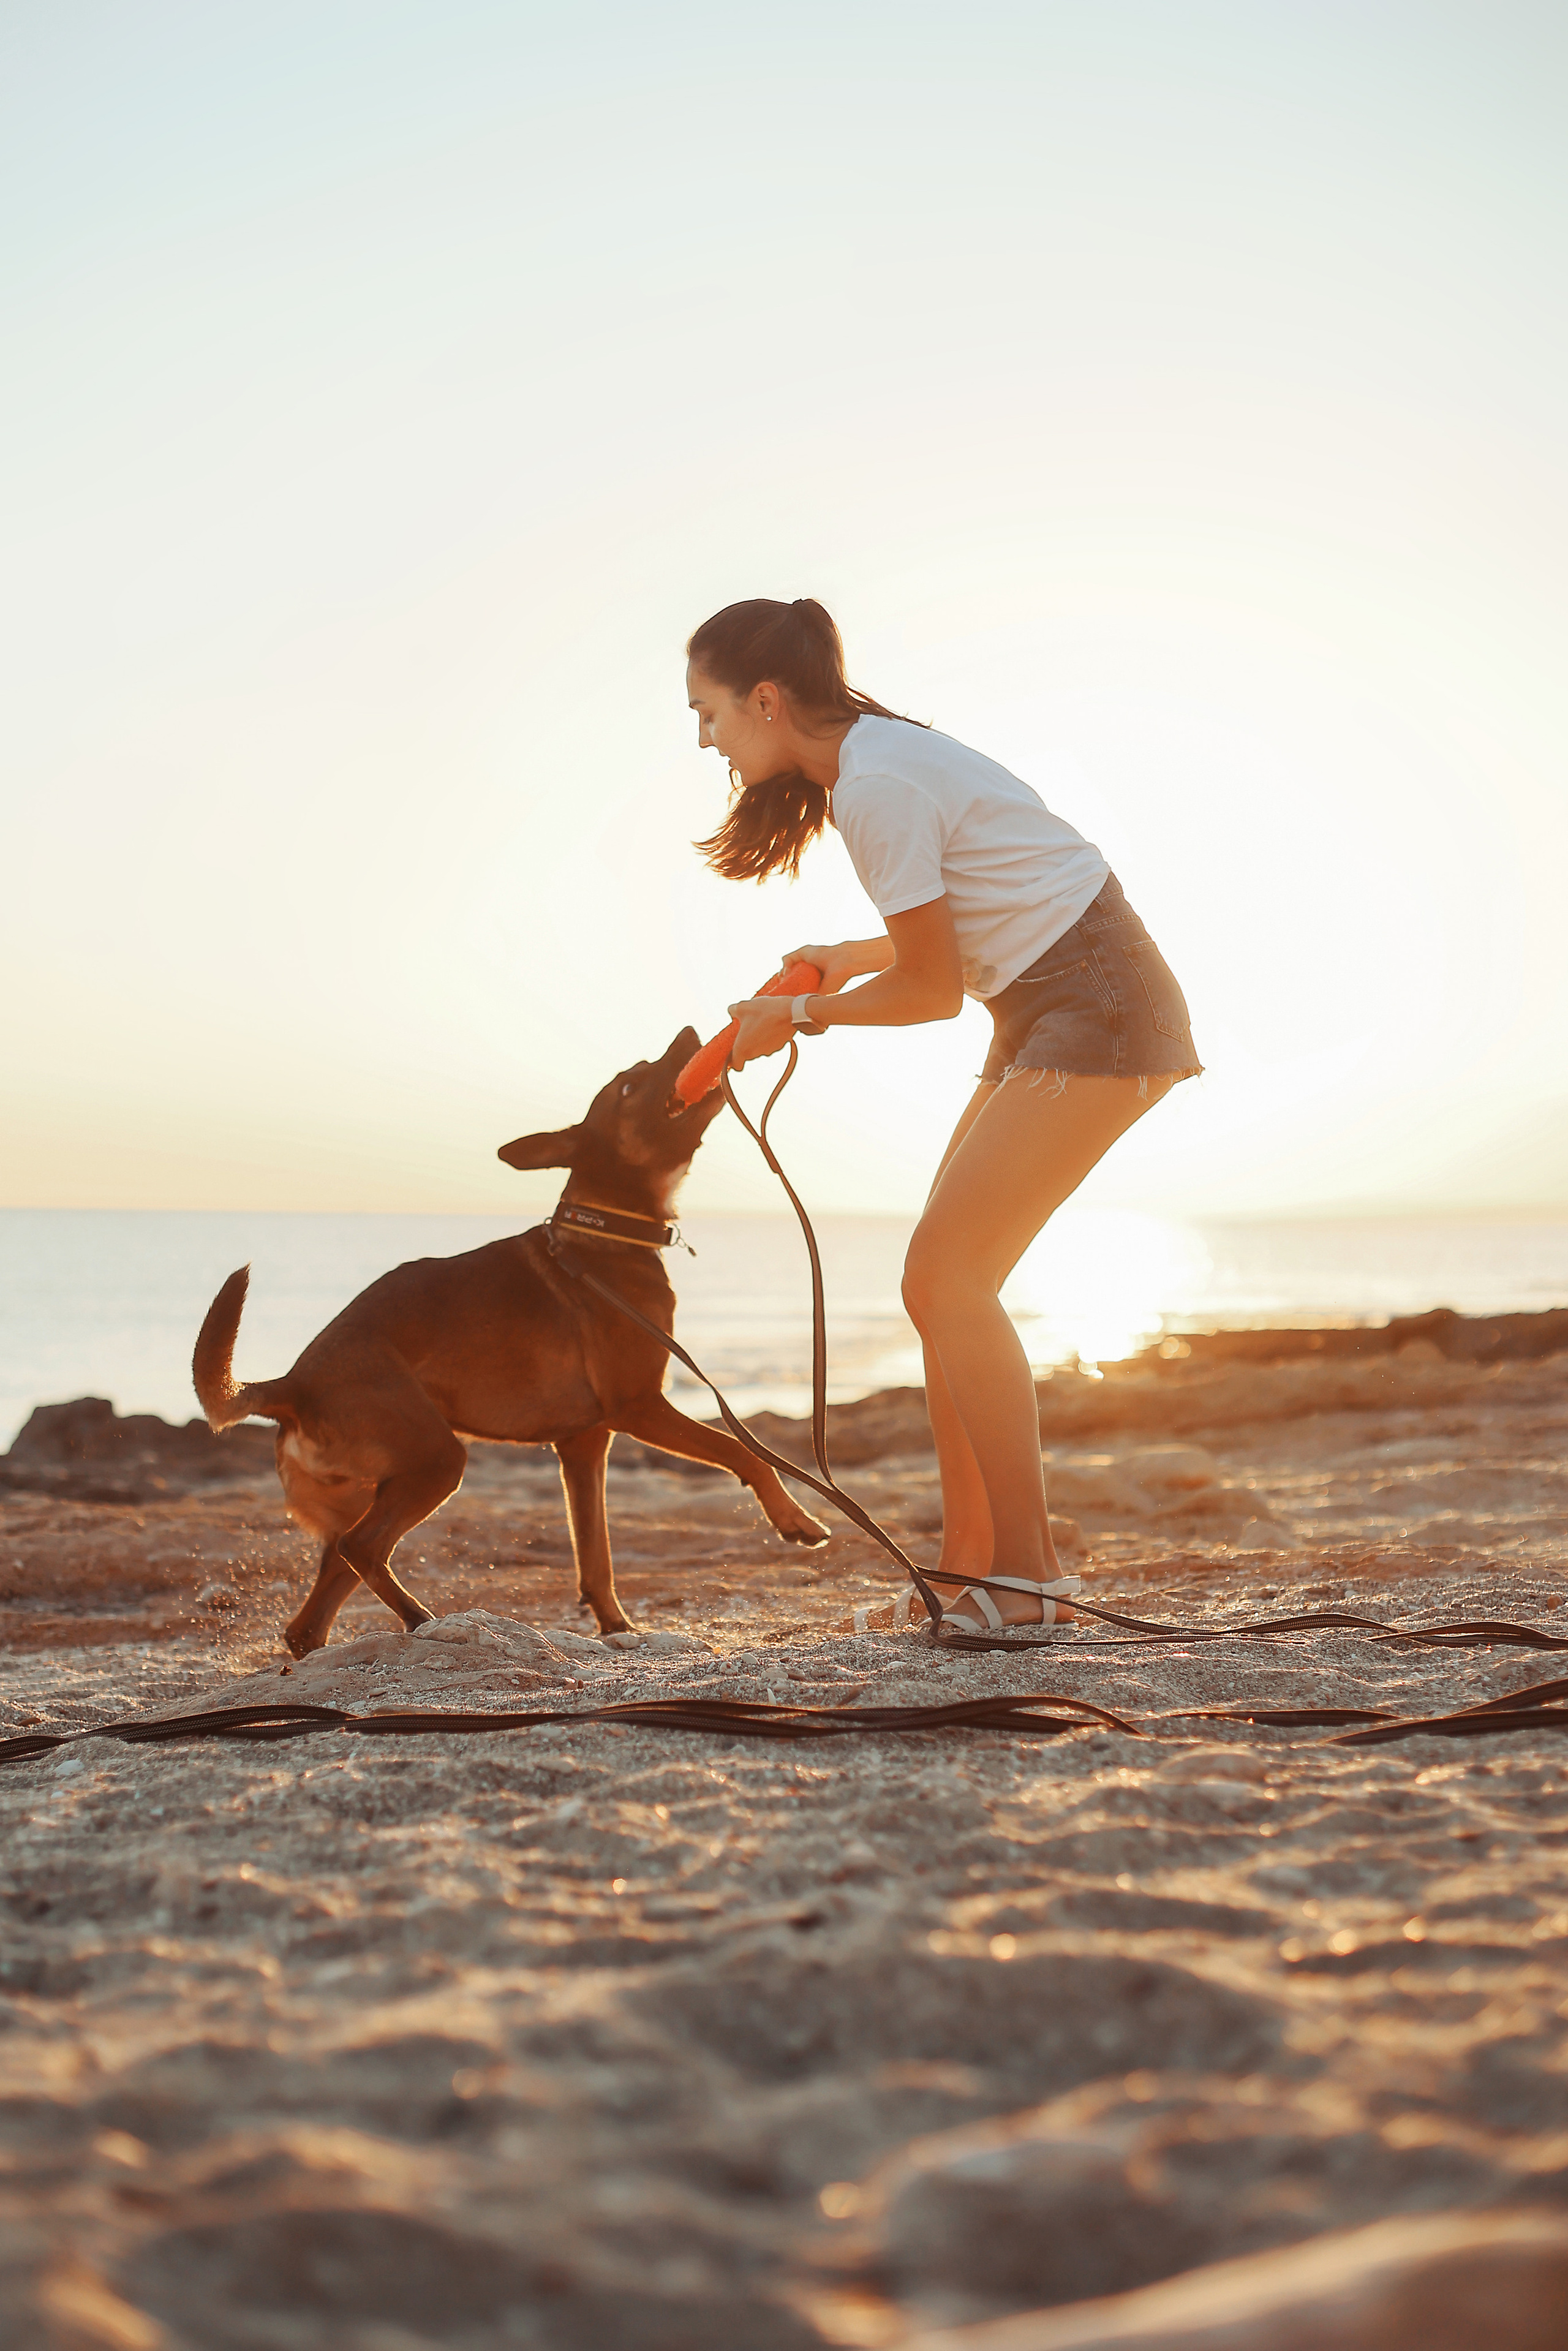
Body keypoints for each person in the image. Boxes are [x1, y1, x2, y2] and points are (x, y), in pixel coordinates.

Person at [686, 596, 1202, 1640]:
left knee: (945, 1276)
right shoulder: (874, 764)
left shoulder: (873, 786)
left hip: (1098, 1003)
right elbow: (956, 923)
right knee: (942, 1286)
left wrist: (798, 1014)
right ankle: (973, 1568)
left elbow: (931, 991)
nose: (705, 736)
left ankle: (1031, 1579)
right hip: (1046, 995)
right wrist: (846, 958)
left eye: (707, 711)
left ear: (767, 700)